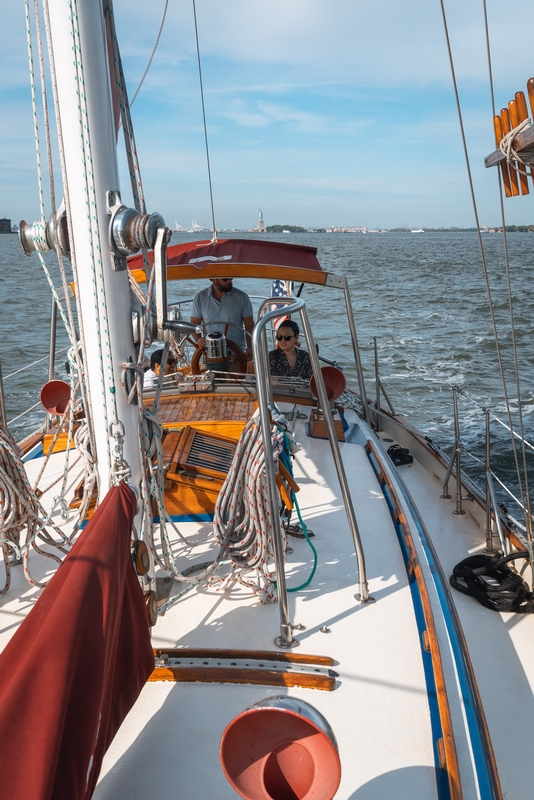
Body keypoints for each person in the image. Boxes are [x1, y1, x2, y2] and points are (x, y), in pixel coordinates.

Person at [191, 278, 254, 358]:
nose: (229, 282)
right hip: (209, 354)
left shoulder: (242, 297)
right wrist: (198, 340)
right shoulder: (200, 298)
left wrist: (250, 347)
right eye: (225, 279)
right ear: (214, 279)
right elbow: (194, 324)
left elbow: (249, 325)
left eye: (231, 279)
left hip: (236, 354)